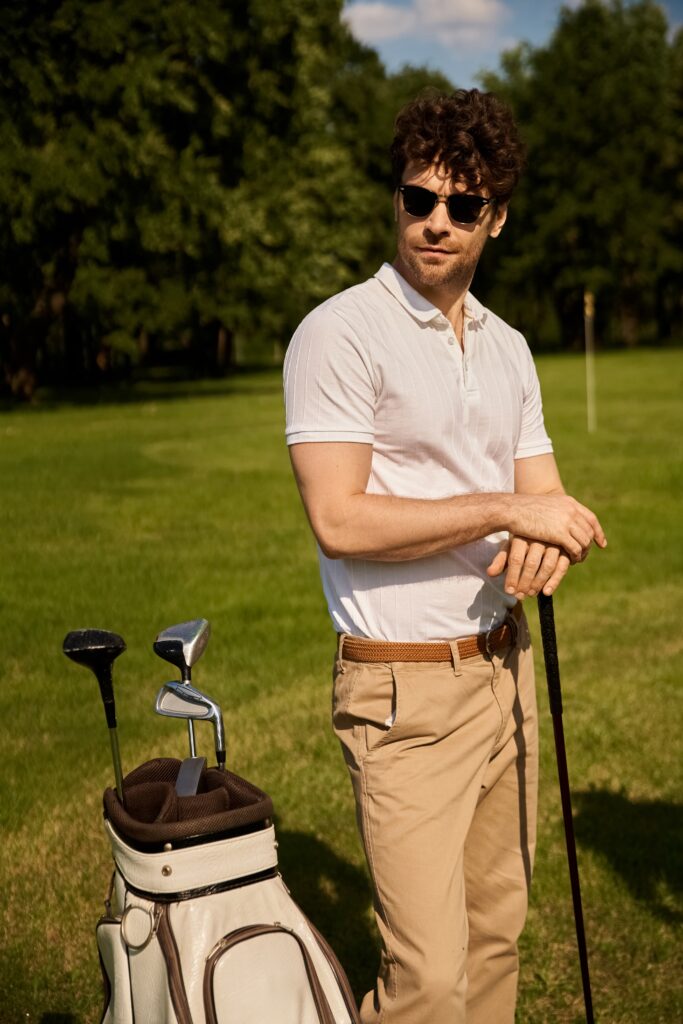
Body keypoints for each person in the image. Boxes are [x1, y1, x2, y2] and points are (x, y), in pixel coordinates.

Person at [283, 88, 606, 1024]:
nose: (435, 222)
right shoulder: (340, 332)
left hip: (505, 668)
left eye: (462, 206)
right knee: (426, 978)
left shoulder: (508, 348)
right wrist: (507, 510)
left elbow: (542, 499)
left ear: (495, 219)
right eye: (418, 198)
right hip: (403, 691)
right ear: (396, 198)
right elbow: (339, 520)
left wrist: (548, 543)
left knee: (495, 937)